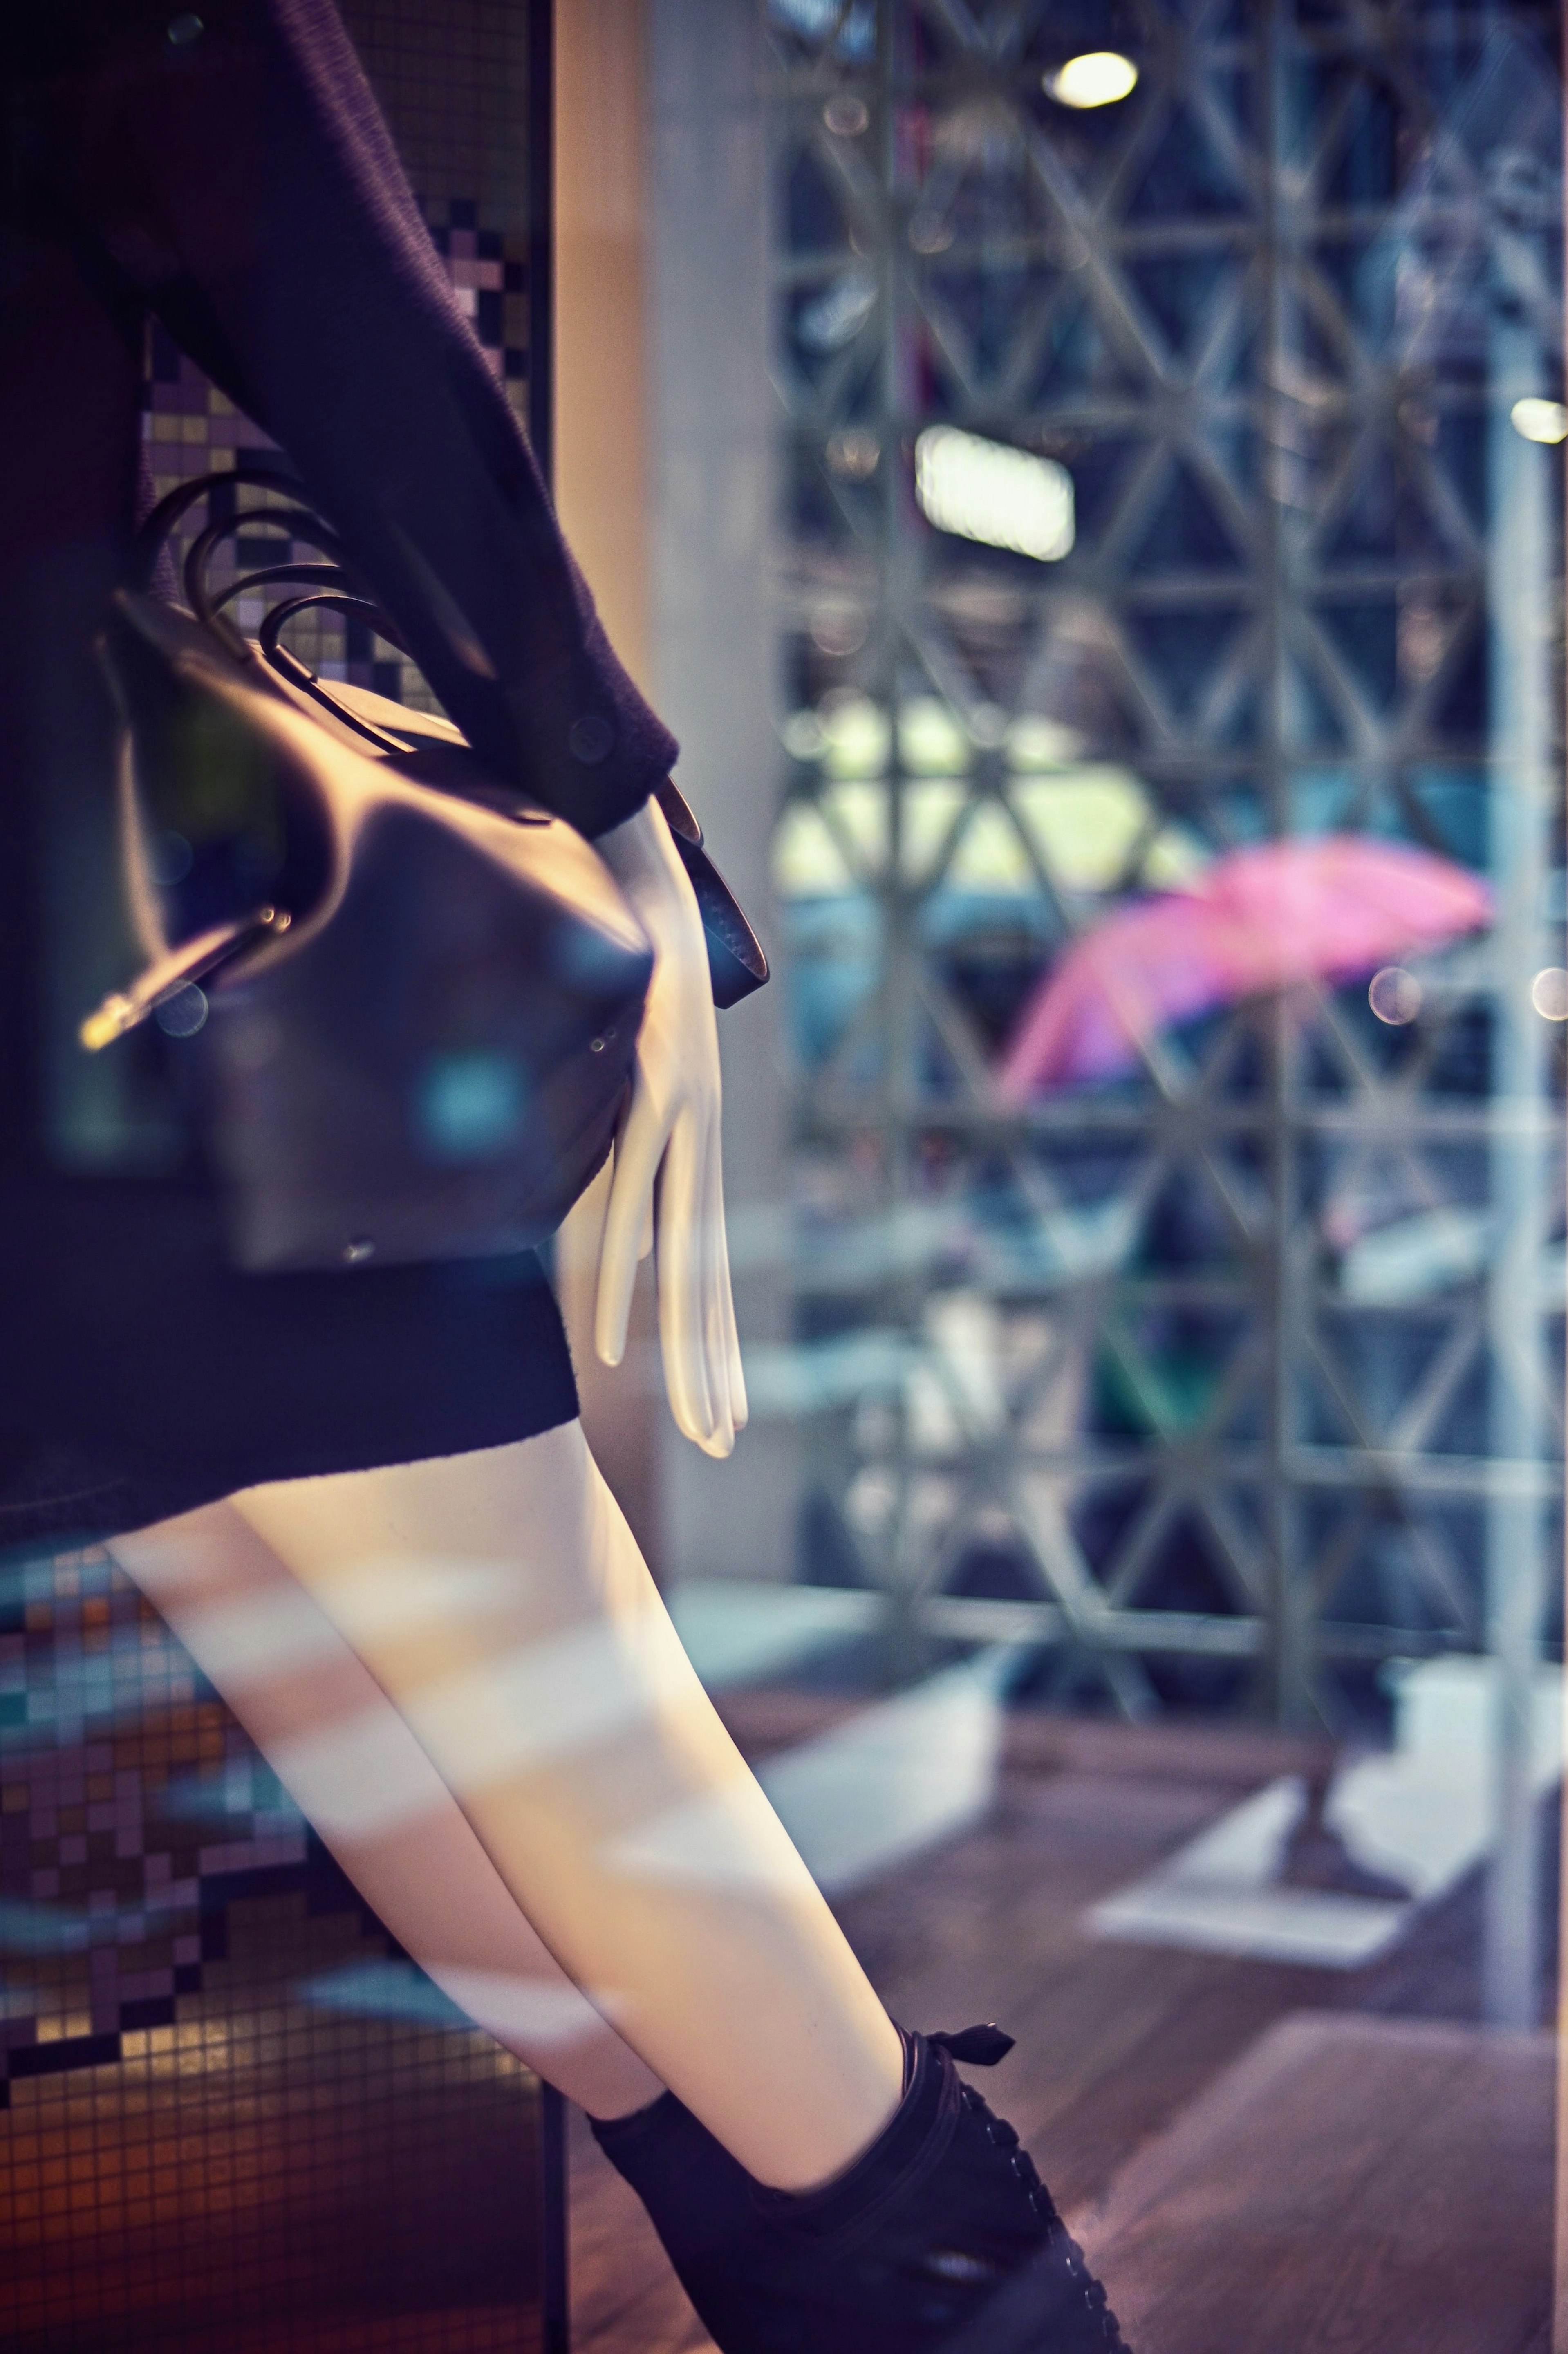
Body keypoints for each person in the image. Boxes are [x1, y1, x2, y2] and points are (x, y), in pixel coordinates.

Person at [0, 7, 1126, 2347]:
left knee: (434, 1778)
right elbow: (323, 285)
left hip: (81, 1049)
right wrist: (613, 806)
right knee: (580, 1771)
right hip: (130, 979)